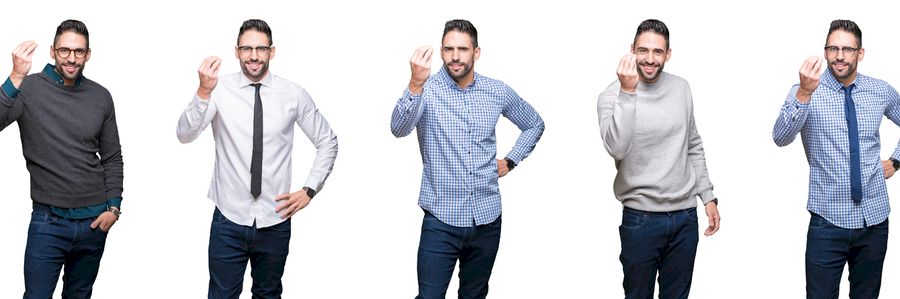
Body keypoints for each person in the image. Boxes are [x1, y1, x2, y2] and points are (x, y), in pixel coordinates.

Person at [176, 19, 338, 299]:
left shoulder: (293, 94)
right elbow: (184, 134)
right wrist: (203, 91)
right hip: (228, 219)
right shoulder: (218, 90)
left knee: (268, 294)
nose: (254, 56)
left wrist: (309, 190)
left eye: (261, 49)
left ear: (272, 52)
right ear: (236, 51)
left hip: (275, 221)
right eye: (247, 48)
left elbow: (328, 141)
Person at [390, 19, 545, 299]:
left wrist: (511, 161)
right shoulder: (426, 89)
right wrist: (414, 83)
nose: (455, 56)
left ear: (477, 52)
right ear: (441, 51)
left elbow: (534, 123)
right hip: (441, 221)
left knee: (474, 296)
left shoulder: (496, 91)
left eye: (463, 49)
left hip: (487, 219)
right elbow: (398, 129)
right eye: (449, 49)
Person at [597, 19, 721, 299]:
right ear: (632, 50)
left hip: (685, 217)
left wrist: (708, 196)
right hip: (641, 220)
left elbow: (693, 144)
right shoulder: (610, 96)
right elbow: (617, 148)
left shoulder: (681, 88)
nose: (650, 59)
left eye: (657, 52)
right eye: (643, 51)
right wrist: (628, 92)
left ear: (668, 54)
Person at [0, 19, 123, 298]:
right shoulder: (28, 89)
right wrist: (15, 76)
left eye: (79, 52)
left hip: (94, 221)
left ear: (88, 54)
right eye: (65, 50)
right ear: (53, 51)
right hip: (49, 221)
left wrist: (113, 207)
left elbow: (112, 157)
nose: (72, 58)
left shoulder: (101, 96)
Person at [772, 19, 895, 298]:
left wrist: (897, 161)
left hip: (874, 221)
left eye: (848, 49)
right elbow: (780, 138)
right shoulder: (805, 90)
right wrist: (804, 93)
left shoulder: (880, 90)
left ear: (860, 53)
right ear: (825, 51)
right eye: (833, 48)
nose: (840, 56)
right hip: (827, 222)